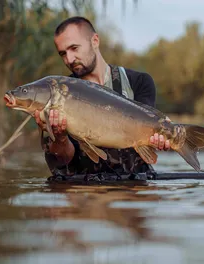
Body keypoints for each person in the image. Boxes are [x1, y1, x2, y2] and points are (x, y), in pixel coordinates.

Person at [34, 16, 170, 177]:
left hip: (134, 191)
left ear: (95, 41)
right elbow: (62, 161)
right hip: (85, 192)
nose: (69, 59)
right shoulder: (56, 96)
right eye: (63, 53)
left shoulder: (138, 82)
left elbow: (149, 131)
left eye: (74, 48)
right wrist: (60, 138)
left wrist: (161, 138)